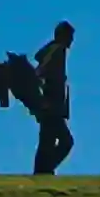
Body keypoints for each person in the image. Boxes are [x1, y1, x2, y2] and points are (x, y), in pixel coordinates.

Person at [33, 19, 76, 175]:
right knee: (64, 142)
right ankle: (44, 170)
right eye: (70, 36)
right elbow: (41, 72)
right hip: (51, 107)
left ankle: (43, 171)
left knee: (47, 142)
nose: (72, 40)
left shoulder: (55, 50)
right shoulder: (57, 50)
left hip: (51, 106)